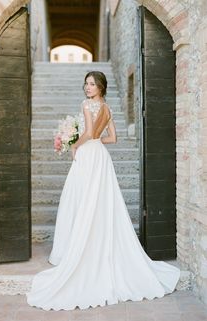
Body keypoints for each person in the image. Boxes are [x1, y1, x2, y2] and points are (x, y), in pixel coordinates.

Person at [26, 71, 180, 311]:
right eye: (86, 84)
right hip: (101, 156)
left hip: (88, 155)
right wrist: (91, 141)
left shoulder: (87, 105)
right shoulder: (107, 108)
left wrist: (75, 144)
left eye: (92, 84)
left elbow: (88, 133)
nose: (88, 88)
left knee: (82, 200)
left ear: (101, 87)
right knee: (99, 202)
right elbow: (113, 138)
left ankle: (78, 251)